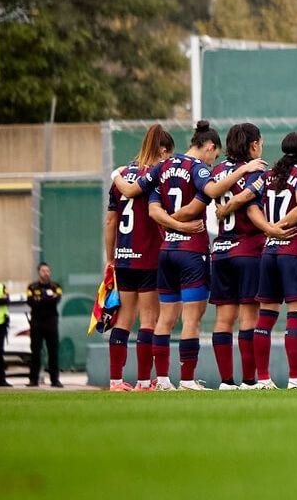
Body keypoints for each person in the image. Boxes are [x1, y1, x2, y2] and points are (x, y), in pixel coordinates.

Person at [112, 120, 261, 390]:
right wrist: (244, 169)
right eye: (214, 155)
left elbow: (151, 209)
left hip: (166, 251)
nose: (213, 161)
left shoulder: (163, 166)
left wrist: (171, 225)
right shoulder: (198, 169)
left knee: (165, 319)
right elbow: (208, 195)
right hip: (192, 251)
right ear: (209, 147)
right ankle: (188, 380)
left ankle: (162, 380)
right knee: (191, 319)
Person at [104, 124, 199, 392]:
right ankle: (144, 382)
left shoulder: (122, 175)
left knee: (123, 319)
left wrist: (110, 258)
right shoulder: (156, 176)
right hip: (148, 255)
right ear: (163, 151)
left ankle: (115, 381)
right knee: (149, 320)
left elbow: (110, 221)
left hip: (124, 257)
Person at [207, 123, 278, 390]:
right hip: (249, 250)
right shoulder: (256, 170)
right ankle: (249, 380)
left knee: (223, 319)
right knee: (249, 319)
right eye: (260, 142)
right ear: (253, 145)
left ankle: (226, 381)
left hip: (221, 251)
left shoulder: (217, 172)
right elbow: (250, 205)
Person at [255, 132, 297, 389]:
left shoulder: (268, 175)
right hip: (293, 250)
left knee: (265, 317)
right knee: (296, 316)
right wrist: (279, 227)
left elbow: (251, 205)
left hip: (269, 252)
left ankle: (263, 379)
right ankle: (296, 378)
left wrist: (269, 229)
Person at [26, 262, 63, 388]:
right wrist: (47, 298)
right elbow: (31, 302)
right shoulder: (32, 287)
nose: (46, 273)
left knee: (53, 351)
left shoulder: (55, 286)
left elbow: (56, 299)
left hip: (51, 322)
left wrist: (41, 299)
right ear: (39, 272)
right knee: (35, 352)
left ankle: (55, 380)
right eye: (43, 271)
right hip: (37, 322)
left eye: (47, 271)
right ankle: (33, 380)